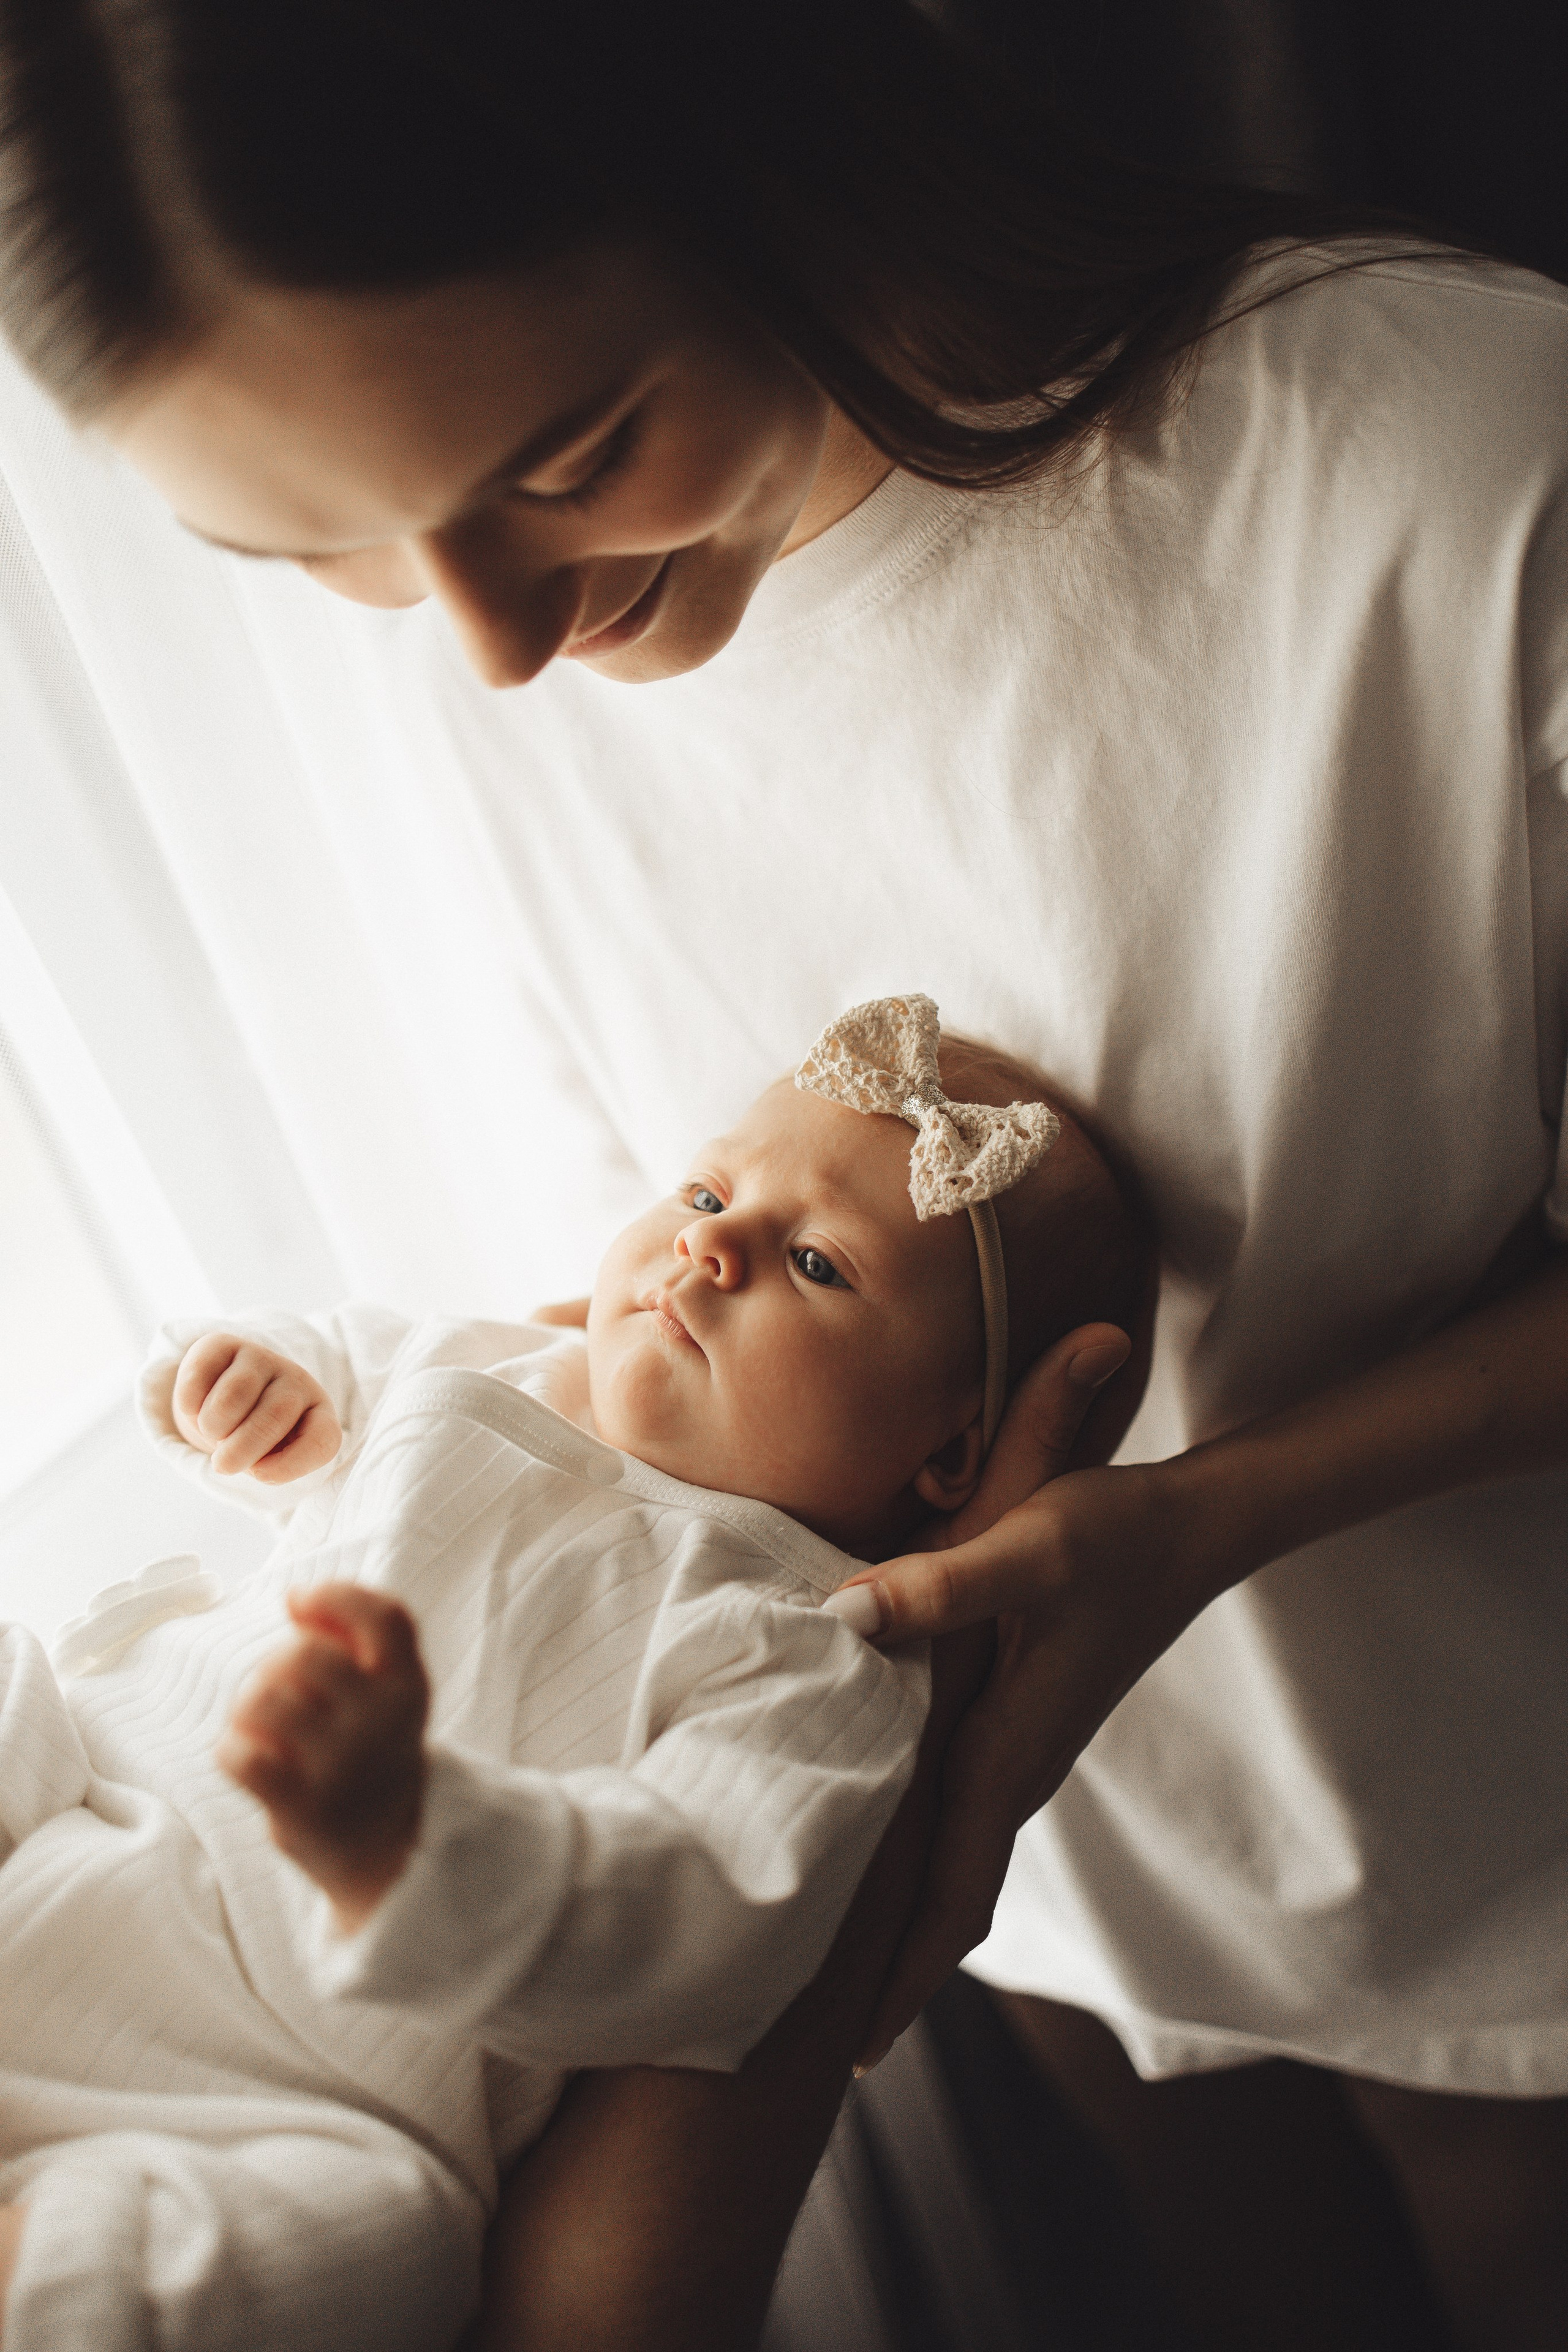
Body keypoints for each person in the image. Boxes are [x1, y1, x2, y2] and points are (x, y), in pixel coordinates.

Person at [1, 3, 1566, 2345]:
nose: (491, 646)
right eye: (308, 543)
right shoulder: (463, 591)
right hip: (915, 1794)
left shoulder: (1453, 469)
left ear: (764, 136)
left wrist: (1203, 1521)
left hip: (1446, 1761)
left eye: (575, 451)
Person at [0, 1010, 1143, 2349]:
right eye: (711, 1192)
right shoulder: (494, 1364)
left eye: (819, 1264)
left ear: (949, 1458)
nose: (708, 1243)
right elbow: (321, 1368)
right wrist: (243, 1389)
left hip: (293, 2085)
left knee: (382, 2242)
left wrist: (419, 1848)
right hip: (88, 1815)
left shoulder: (813, 1657)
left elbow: (699, 1919)